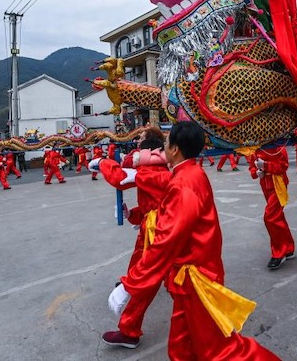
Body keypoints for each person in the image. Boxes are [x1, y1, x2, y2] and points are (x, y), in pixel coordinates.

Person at [103, 121, 279, 359]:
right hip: (189, 277)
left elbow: (166, 240)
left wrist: (131, 283)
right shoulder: (189, 175)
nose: (161, 148)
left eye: (166, 143)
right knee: (180, 347)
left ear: (175, 149)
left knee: (225, 351)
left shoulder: (184, 183)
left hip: (196, 279)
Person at [95, 127, 172, 349]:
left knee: (147, 278)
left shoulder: (149, 170)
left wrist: (102, 162)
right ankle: (134, 282)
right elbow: (153, 204)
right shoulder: (154, 167)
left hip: (159, 229)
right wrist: (133, 214)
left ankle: (129, 330)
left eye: (140, 137)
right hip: (155, 225)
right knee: (142, 263)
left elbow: (118, 178)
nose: (136, 140)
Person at [249, 145, 295, 269]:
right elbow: (252, 168)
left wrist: (265, 165)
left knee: (270, 217)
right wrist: (256, 172)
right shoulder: (255, 146)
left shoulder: (278, 146)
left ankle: (279, 253)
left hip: (278, 183)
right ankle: (289, 247)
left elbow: (283, 166)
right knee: (277, 216)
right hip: (265, 184)